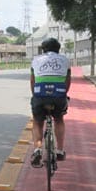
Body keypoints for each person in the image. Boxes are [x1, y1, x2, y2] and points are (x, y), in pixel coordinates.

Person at [30, 37, 71, 167]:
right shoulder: (65, 60)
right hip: (59, 95)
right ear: (58, 49)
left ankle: (37, 149)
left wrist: (35, 96)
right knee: (59, 119)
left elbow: (33, 81)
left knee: (37, 121)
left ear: (43, 50)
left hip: (40, 95)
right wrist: (63, 94)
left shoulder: (36, 60)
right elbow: (67, 81)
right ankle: (60, 151)